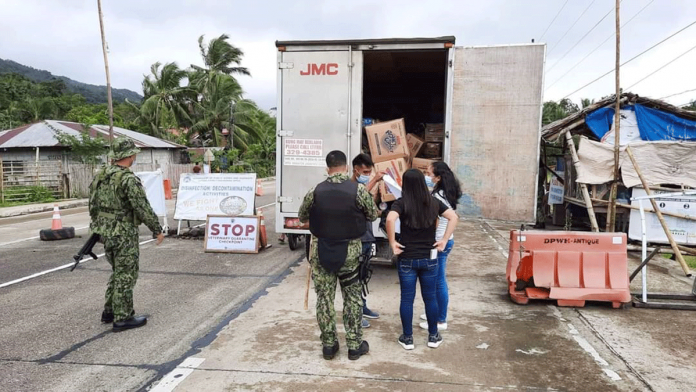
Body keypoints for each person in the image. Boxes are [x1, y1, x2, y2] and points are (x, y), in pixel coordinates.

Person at [299, 150, 379, 361]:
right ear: (346, 167)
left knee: (324, 299)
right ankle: (354, 346)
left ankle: (328, 345)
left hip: (321, 251)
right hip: (350, 254)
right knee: (352, 299)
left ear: (328, 168)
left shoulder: (315, 191)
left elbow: (301, 216)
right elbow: (373, 214)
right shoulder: (358, 190)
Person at [89, 138, 165, 332]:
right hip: (123, 233)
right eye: (134, 154)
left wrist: (97, 228)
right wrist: (156, 229)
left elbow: (93, 205)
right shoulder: (127, 179)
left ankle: (110, 311)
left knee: (117, 271)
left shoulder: (101, 176)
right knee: (126, 274)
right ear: (130, 156)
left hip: (105, 231)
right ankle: (123, 317)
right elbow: (141, 207)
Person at [386, 169, 458, 350]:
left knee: (407, 299)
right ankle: (433, 336)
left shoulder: (401, 203)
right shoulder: (433, 202)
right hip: (429, 258)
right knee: (430, 298)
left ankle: (408, 338)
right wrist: (443, 240)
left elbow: (390, 219)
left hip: (407, 258)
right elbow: (453, 217)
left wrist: (393, 242)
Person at [420, 162, 462, 332]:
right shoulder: (444, 191)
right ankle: (435, 312)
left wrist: (443, 239)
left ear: (437, 177)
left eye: (428, 173)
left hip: (440, 244)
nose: (426, 176)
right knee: (436, 280)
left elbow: (452, 218)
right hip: (443, 241)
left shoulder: (438, 196)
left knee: (438, 282)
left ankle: (440, 320)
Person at [351, 153, 384, 329]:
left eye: (370, 172)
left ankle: (362, 307)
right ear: (356, 170)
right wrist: (374, 181)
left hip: (366, 237)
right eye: (365, 171)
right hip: (356, 240)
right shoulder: (351, 187)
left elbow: (369, 207)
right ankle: (356, 314)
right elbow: (359, 199)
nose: (368, 174)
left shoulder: (363, 186)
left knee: (363, 277)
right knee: (354, 280)